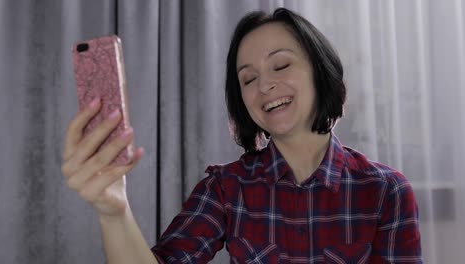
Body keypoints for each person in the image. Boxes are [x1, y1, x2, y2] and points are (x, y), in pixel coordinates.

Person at [61, 8, 422, 264]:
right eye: (248, 79)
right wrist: (113, 211)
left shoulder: (386, 190)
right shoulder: (225, 188)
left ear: (320, 71)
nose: (265, 84)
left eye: (281, 65)